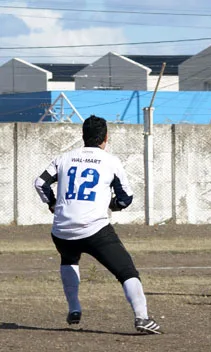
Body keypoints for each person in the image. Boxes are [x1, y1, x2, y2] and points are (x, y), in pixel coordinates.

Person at [34, 115, 162, 334]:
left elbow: (40, 183)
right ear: (106, 137)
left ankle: (74, 308)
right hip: (94, 229)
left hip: (62, 230)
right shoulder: (110, 161)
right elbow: (126, 197)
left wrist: (53, 204)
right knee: (127, 271)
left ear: (83, 136)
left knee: (69, 258)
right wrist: (112, 205)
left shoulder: (64, 158)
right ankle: (142, 318)